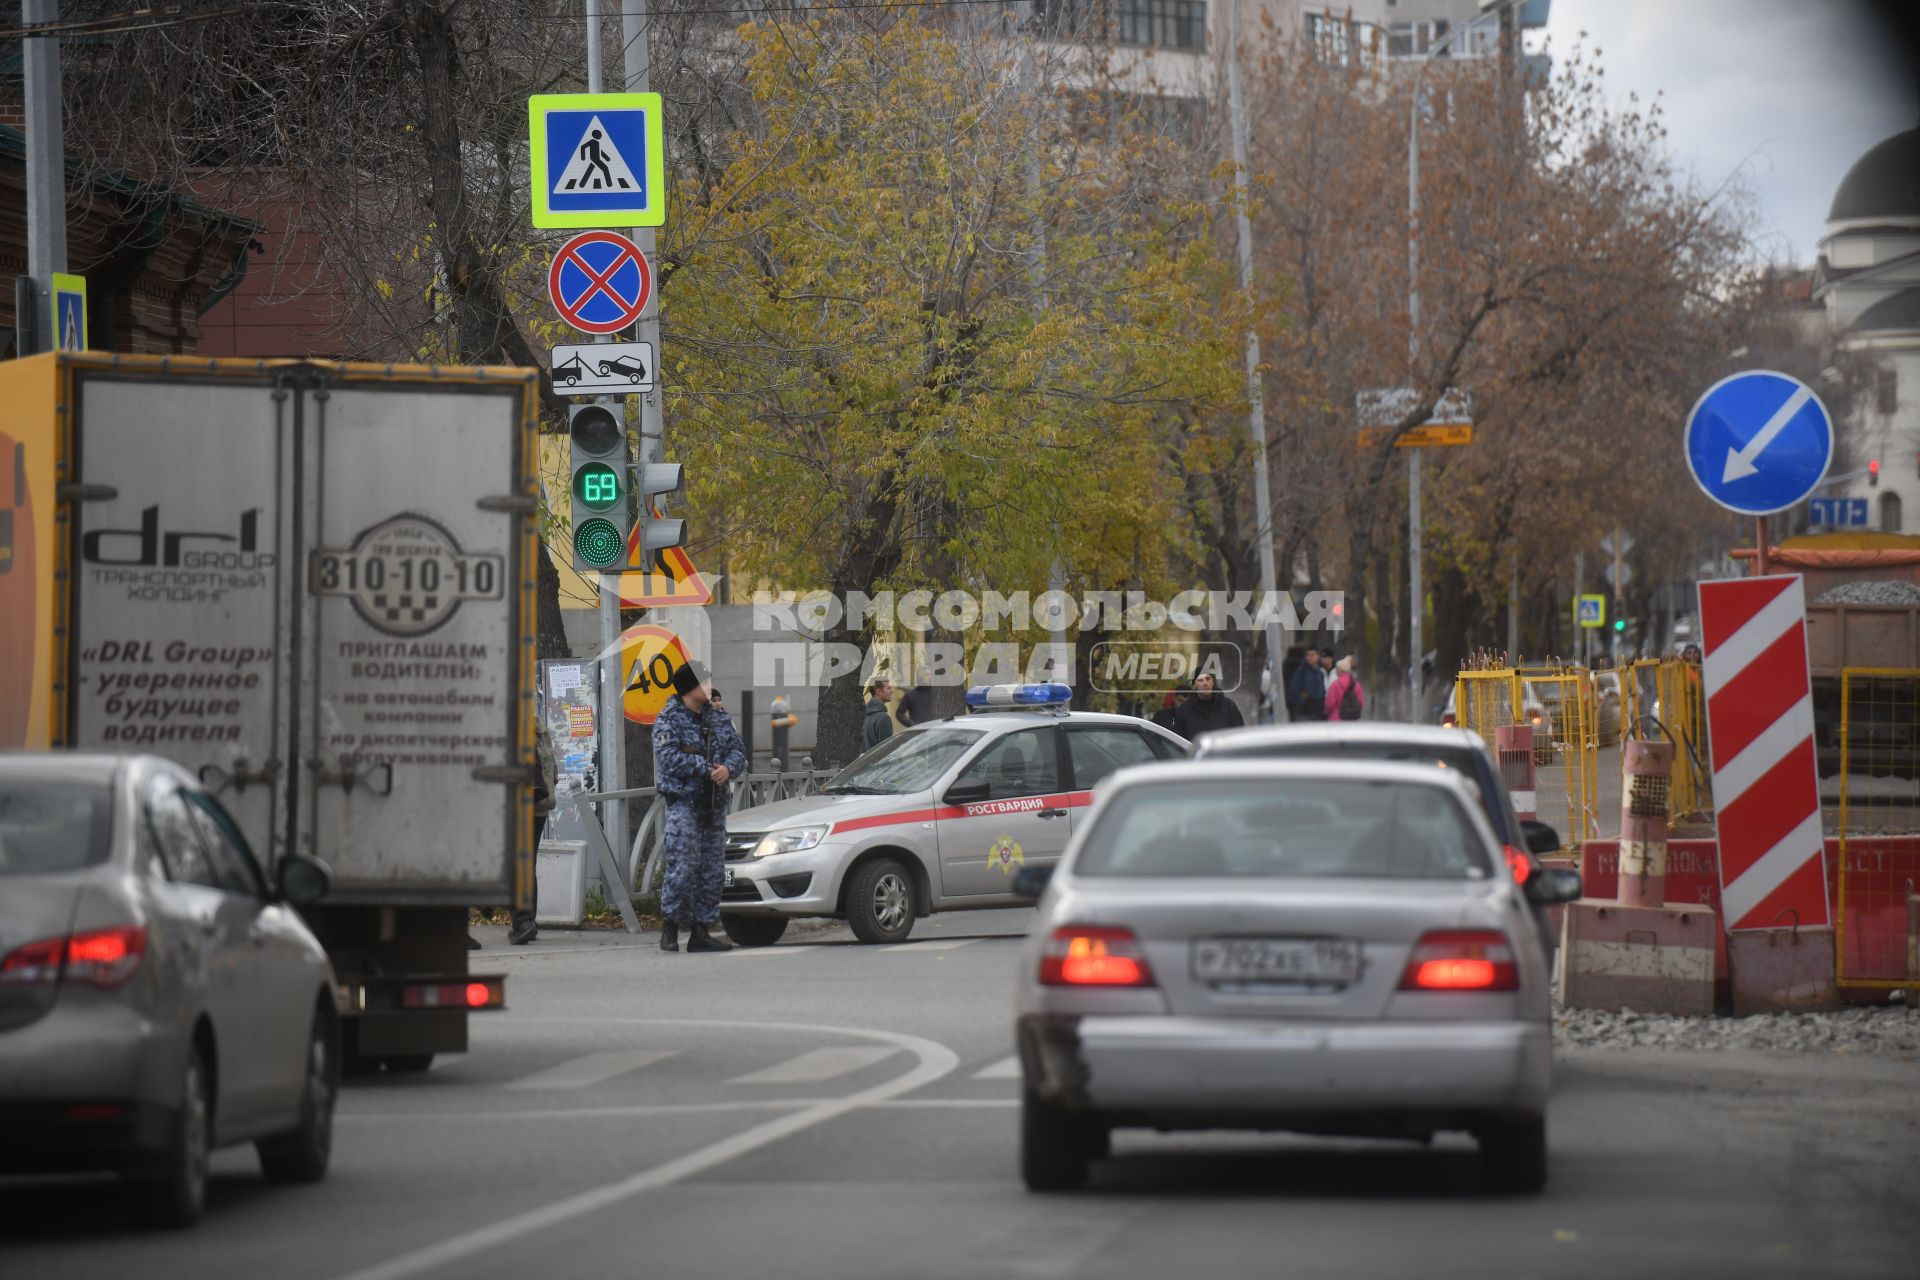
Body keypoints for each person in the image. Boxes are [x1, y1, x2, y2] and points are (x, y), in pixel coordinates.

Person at [653, 659, 748, 954]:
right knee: (682, 868)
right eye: (703, 682)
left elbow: (738, 750)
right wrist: (707, 769)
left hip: (714, 804)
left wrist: (728, 770)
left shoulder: (717, 716)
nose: (709, 687)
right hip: (685, 803)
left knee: (711, 870)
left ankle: (701, 931)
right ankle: (670, 927)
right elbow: (668, 757)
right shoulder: (668, 718)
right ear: (689, 688)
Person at [507, 724, 559, 945]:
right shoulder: (537, 726)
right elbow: (552, 770)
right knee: (527, 864)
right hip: (539, 805)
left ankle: (524, 922)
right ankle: (528, 921)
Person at [1173, 671, 1245, 740]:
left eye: (1208, 679)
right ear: (1194, 685)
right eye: (1200, 680)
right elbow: (1177, 742)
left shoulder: (1228, 706)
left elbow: (1239, 735)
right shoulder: (1184, 710)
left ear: (1213, 682)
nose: (1205, 683)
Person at [1288, 646, 1327, 721]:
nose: (1310, 657)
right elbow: (1294, 689)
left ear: (1318, 656)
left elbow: (1323, 690)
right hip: (1304, 712)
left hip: (1318, 712)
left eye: (1313, 655)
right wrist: (1304, 699)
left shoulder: (1320, 673)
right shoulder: (1301, 671)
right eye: (1308, 655)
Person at [1324, 655, 1366, 721]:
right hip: (1353, 719)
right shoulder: (1356, 684)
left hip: (1336, 719)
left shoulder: (1335, 684)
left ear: (1340, 670)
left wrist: (1329, 713)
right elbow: (1360, 702)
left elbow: (1330, 704)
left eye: (1337, 669)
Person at [861, 676, 896, 751]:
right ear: (879, 691)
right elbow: (887, 751)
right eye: (888, 688)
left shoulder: (864, 715)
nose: (891, 691)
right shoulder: (883, 718)